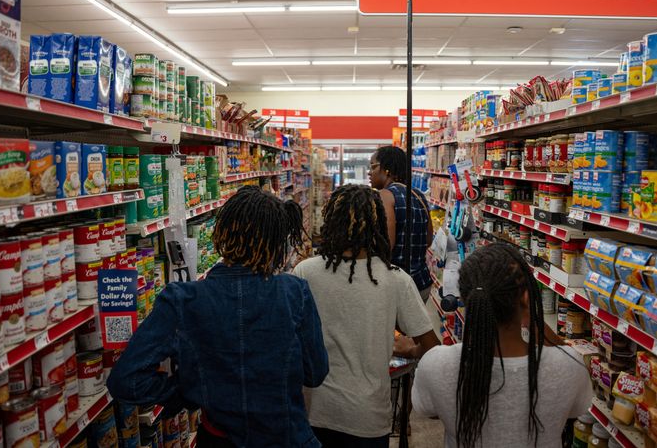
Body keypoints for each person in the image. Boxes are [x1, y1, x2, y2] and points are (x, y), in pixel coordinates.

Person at [107, 186, 329, 448]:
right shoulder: (295, 292)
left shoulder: (181, 299)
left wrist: (186, 390)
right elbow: (315, 373)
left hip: (218, 440)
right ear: (275, 243)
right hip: (288, 438)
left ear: (222, 233)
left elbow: (125, 380)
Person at [294, 184, 439, 448]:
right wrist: (411, 349)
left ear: (330, 222)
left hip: (315, 411)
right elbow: (432, 348)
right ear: (379, 225)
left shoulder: (305, 272)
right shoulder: (395, 278)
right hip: (369, 417)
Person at [412, 243, 593, 448]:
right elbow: (577, 407)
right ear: (526, 299)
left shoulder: (436, 365)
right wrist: (531, 320)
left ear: (465, 300)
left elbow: (429, 410)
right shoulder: (569, 367)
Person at [368, 146, 434, 301]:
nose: (369, 172)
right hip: (422, 282)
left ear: (387, 170)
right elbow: (428, 240)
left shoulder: (385, 195)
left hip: (398, 286)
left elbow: (386, 245)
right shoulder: (418, 195)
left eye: (373, 167)